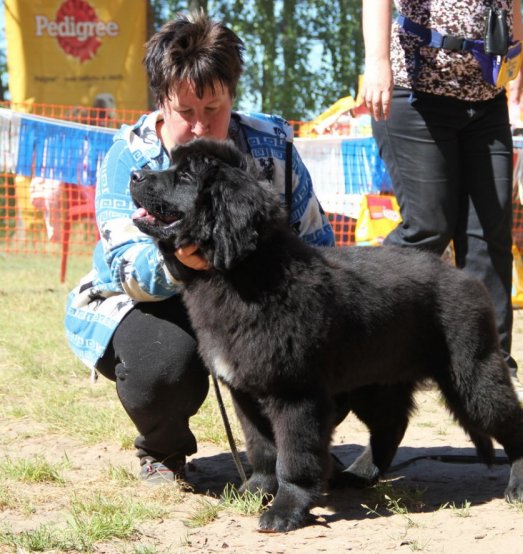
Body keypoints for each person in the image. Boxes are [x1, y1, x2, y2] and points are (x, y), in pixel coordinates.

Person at [64, 11, 335, 484]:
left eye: (214, 109)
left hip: (256, 301)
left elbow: (316, 242)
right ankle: (161, 449)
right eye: (185, 112)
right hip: (150, 300)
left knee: (340, 339)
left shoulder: (273, 146)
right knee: (165, 363)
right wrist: (183, 259)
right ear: (161, 101)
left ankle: (287, 455)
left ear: (232, 92)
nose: (200, 125)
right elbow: (129, 269)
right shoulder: (129, 156)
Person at [361, 0, 523, 401]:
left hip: (486, 97)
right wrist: (377, 61)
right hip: (415, 93)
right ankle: (361, 336)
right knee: (428, 226)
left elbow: (511, 5)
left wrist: (521, 68)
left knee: (488, 236)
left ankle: (493, 369)